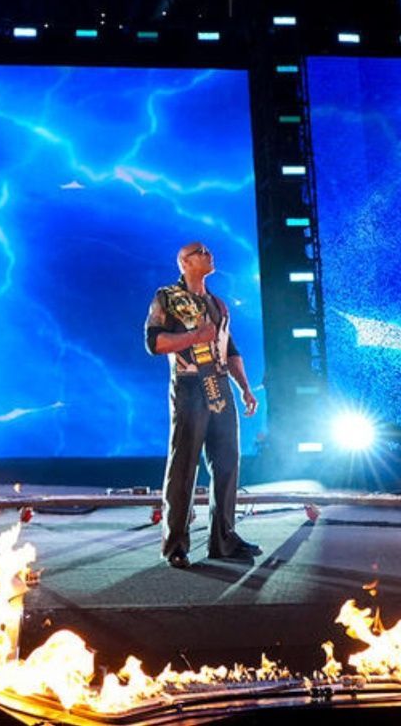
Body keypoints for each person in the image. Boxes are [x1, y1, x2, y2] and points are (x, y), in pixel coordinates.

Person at [144, 240, 260, 568]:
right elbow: (154, 342)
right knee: (184, 467)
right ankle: (175, 545)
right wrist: (194, 337)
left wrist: (245, 389)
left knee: (227, 463)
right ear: (184, 262)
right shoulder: (167, 297)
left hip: (220, 386)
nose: (209, 254)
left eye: (209, 251)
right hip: (190, 386)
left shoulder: (218, 304)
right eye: (201, 252)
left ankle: (224, 539)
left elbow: (230, 349)